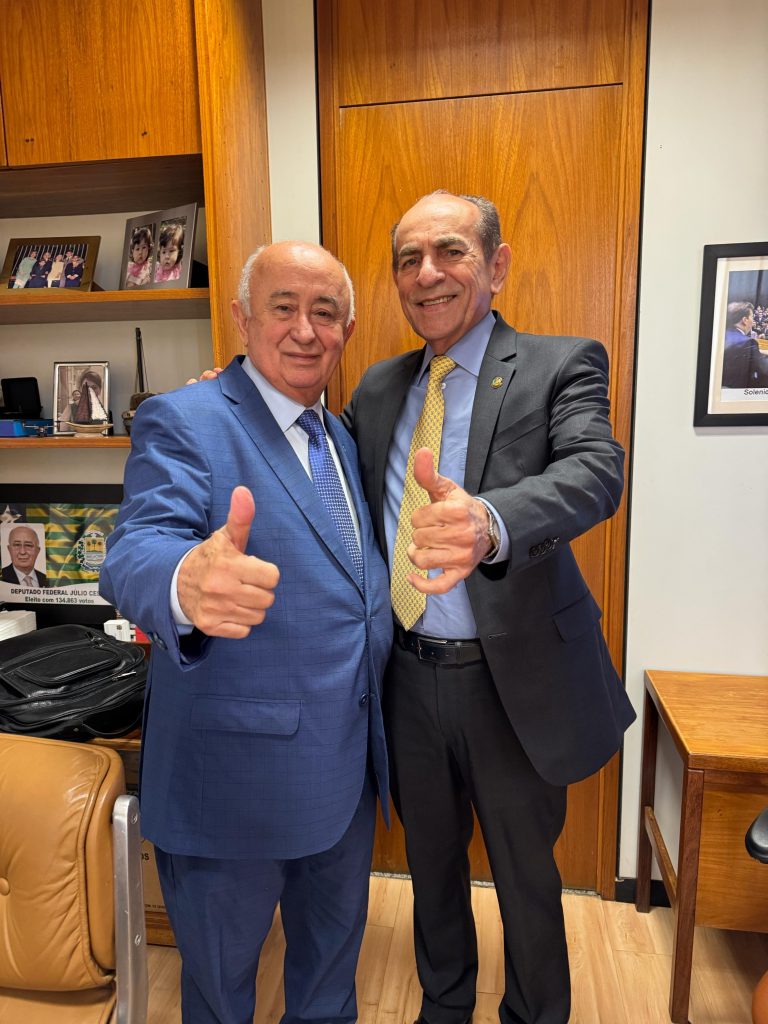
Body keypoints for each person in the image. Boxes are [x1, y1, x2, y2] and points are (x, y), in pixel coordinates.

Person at [340, 190, 636, 1024]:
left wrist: (490, 520)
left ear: (496, 266)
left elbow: (595, 471)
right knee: (429, 868)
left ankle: (536, 1014)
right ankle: (444, 1006)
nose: (427, 274)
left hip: (513, 682)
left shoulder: (560, 363)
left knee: (525, 877)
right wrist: (233, 396)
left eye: (451, 252)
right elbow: (320, 467)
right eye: (408, 259)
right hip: (408, 677)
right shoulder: (378, 387)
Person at [100, 241, 392, 1024]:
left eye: (325, 312)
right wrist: (182, 581)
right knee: (221, 996)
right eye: (282, 307)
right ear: (241, 318)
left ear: (347, 329)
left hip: (346, 774)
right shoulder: (185, 418)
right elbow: (135, 547)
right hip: (230, 784)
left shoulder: (342, 437)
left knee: (329, 988)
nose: (305, 330)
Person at [721, 300, 768, 388]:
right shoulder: (748, 342)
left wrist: (758, 351)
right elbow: (764, 370)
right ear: (745, 320)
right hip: (739, 391)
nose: (753, 321)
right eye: (752, 317)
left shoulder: (720, 336)